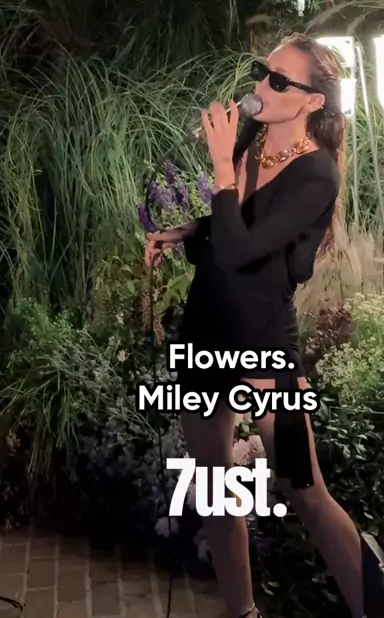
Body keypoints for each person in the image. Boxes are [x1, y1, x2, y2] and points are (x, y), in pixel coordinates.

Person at [145, 34, 364, 618]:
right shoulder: (253, 140)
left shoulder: (317, 175)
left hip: (262, 341)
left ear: (312, 102)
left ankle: (376, 608)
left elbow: (246, 253)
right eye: (261, 72)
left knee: (305, 488)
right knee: (216, 488)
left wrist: (221, 166)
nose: (262, 86)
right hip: (207, 329)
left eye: (279, 81)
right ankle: (242, 612)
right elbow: (233, 226)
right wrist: (189, 231)